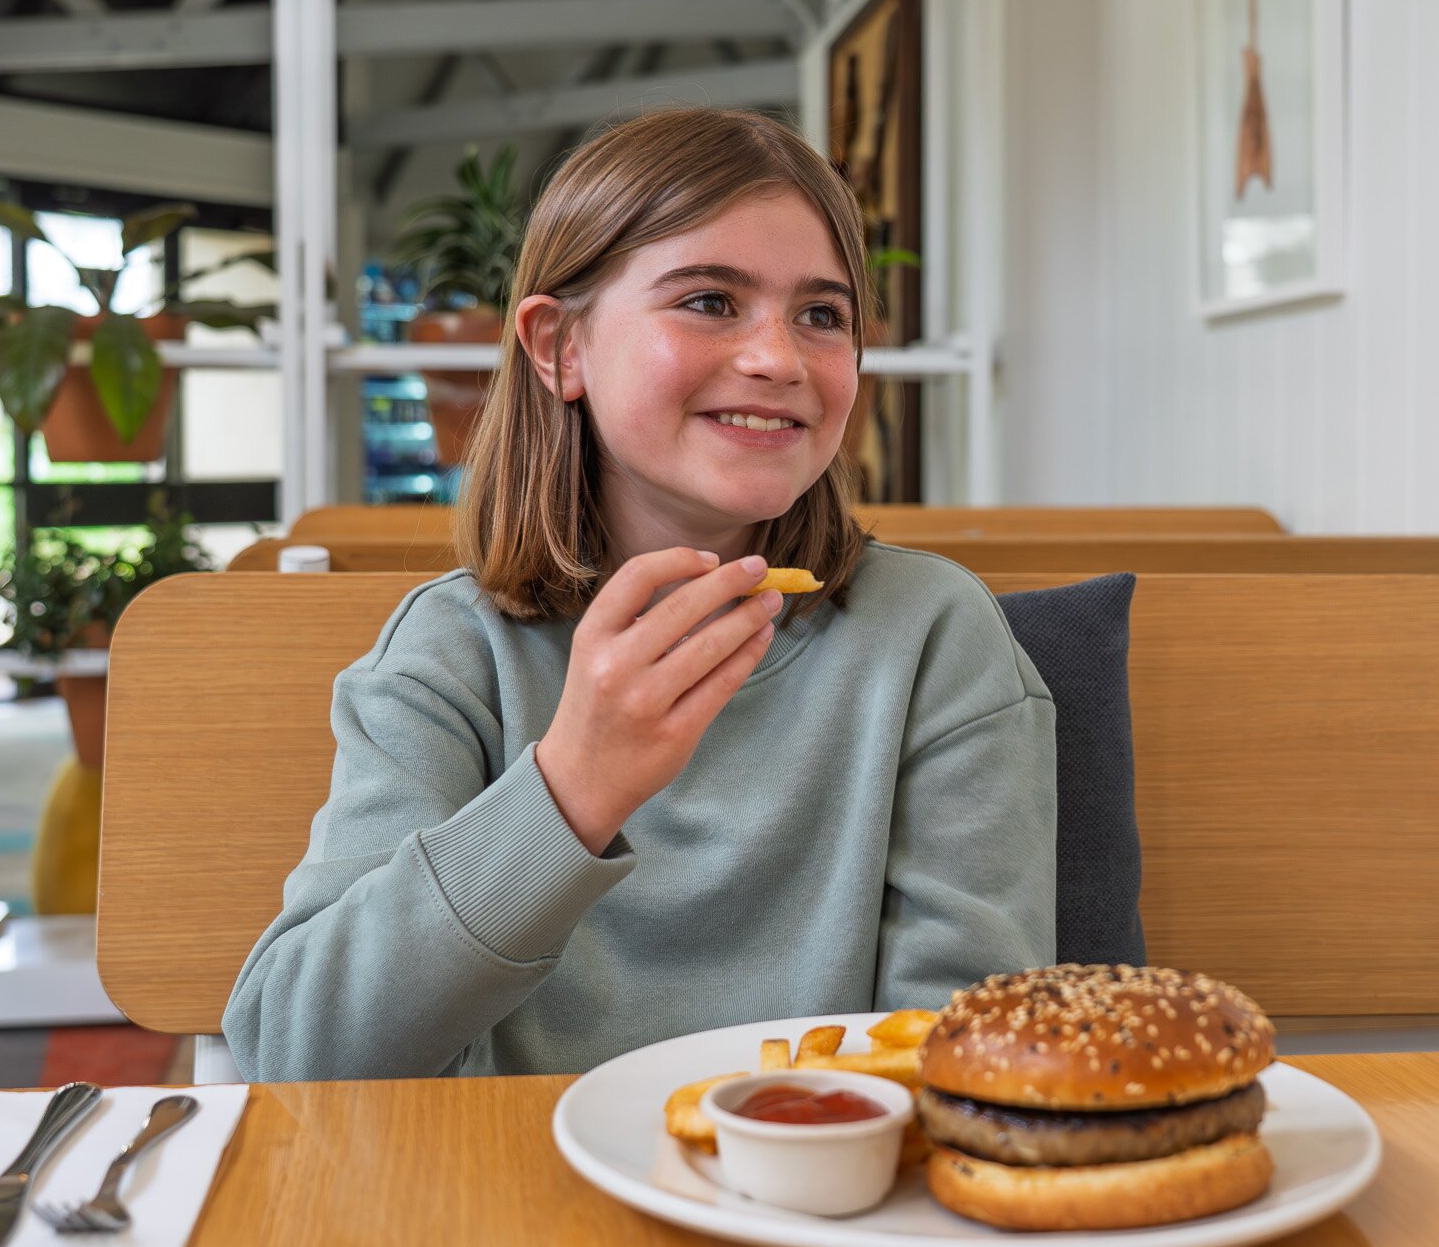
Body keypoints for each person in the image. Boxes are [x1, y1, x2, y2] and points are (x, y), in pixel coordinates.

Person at [224, 108, 1057, 1081]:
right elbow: (303, 1054)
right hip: (501, 1174)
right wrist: (574, 785)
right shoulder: (448, 654)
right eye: (709, 300)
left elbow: (965, 1061)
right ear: (558, 348)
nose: (778, 358)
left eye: (821, 315)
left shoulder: (934, 636)